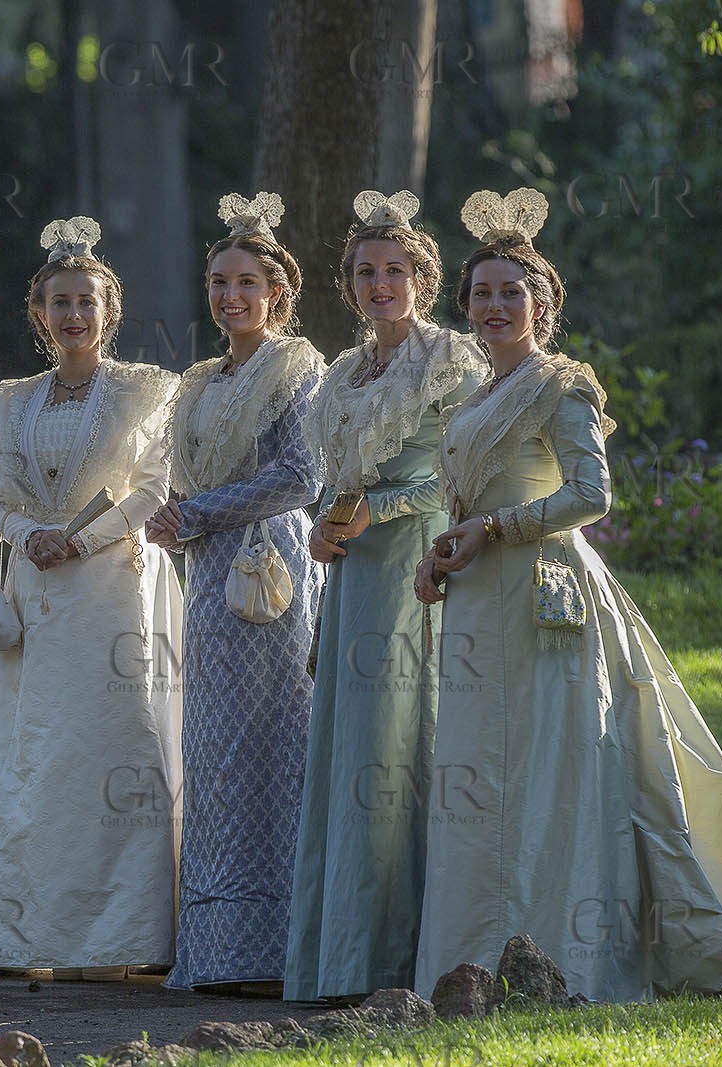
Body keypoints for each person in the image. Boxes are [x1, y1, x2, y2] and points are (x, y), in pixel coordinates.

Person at [411, 188, 722, 1000]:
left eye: (510, 291)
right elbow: (467, 502)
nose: (493, 305)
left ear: (543, 301)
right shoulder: (473, 398)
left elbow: (593, 495)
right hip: (479, 598)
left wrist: (501, 529)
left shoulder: (564, 386)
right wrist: (444, 552)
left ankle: (559, 953)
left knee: (552, 769)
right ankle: (475, 958)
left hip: (547, 596)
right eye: (481, 292)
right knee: (480, 770)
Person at [0, 217, 183, 979]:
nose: (74, 316)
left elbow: (155, 484)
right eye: (60, 302)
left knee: (115, 748)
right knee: (37, 755)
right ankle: (33, 940)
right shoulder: (9, 400)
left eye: (86, 301)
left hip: (113, 589)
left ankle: (122, 941)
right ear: (39, 314)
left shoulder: (147, 390)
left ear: (109, 310)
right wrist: (29, 537)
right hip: (39, 591)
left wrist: (81, 541)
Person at [283, 191, 487, 1000]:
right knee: (347, 749)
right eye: (366, 272)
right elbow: (332, 477)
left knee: (395, 741)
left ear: (425, 279)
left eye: (395, 270)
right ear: (349, 284)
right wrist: (320, 527)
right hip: (352, 568)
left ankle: (396, 958)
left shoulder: (453, 359)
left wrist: (385, 510)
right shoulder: (342, 371)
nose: (380, 285)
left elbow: (458, 468)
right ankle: (339, 958)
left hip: (413, 559)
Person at [142, 192, 324, 993]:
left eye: (247, 282)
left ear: (276, 292)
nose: (231, 296)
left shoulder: (299, 366)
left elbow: (300, 475)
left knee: (272, 744)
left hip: (269, 572)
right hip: (209, 571)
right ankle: (217, 950)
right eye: (219, 282)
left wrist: (198, 513)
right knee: (214, 752)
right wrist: (175, 518)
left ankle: (279, 945)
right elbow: (186, 480)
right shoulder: (199, 380)